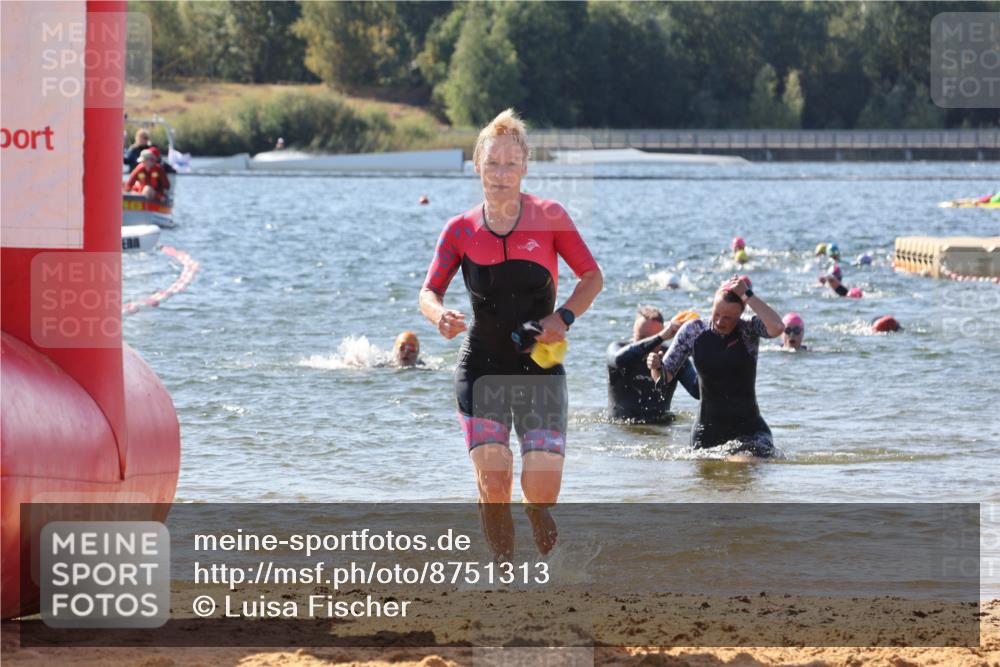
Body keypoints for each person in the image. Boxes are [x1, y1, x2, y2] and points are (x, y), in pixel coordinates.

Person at [418, 109, 603, 559]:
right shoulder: (459, 230)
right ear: (477, 165)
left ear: (524, 168)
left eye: (510, 164)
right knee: (494, 474)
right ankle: (503, 574)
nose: (500, 173)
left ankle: (538, 512)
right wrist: (439, 315)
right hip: (481, 366)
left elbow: (591, 277)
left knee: (540, 486)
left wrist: (564, 318)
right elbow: (428, 291)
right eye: (492, 163)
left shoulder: (550, 216)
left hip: (539, 367)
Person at [648, 276, 784, 459]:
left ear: (740, 314)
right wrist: (655, 366)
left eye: (728, 317)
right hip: (707, 433)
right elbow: (663, 377)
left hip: (750, 429)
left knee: (743, 463)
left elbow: (777, 327)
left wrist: (748, 295)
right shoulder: (693, 331)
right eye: (716, 314)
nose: (720, 322)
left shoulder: (748, 328)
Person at [607, 307, 699, 423]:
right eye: (642, 338)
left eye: (655, 339)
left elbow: (697, 391)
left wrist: (699, 350)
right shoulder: (617, 350)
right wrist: (659, 337)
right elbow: (618, 360)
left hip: (660, 433)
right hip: (622, 431)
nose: (650, 344)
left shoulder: (672, 357)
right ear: (633, 333)